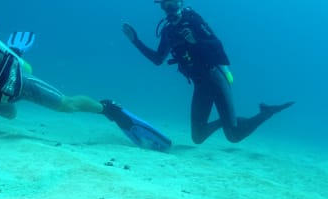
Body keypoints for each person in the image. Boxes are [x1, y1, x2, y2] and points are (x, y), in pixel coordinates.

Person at [0, 0, 173, 151]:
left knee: (66, 105)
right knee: (8, 115)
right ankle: (13, 53)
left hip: (13, 82)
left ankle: (109, 109)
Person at [121, 0, 294, 144]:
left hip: (215, 78)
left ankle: (266, 113)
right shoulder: (169, 31)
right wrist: (135, 41)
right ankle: (227, 121)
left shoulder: (193, 20)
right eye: (164, 4)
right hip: (200, 85)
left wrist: (195, 41)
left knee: (233, 136)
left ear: (180, 2)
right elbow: (158, 59)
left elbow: (218, 46)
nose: (167, 6)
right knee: (198, 137)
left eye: (171, 2)